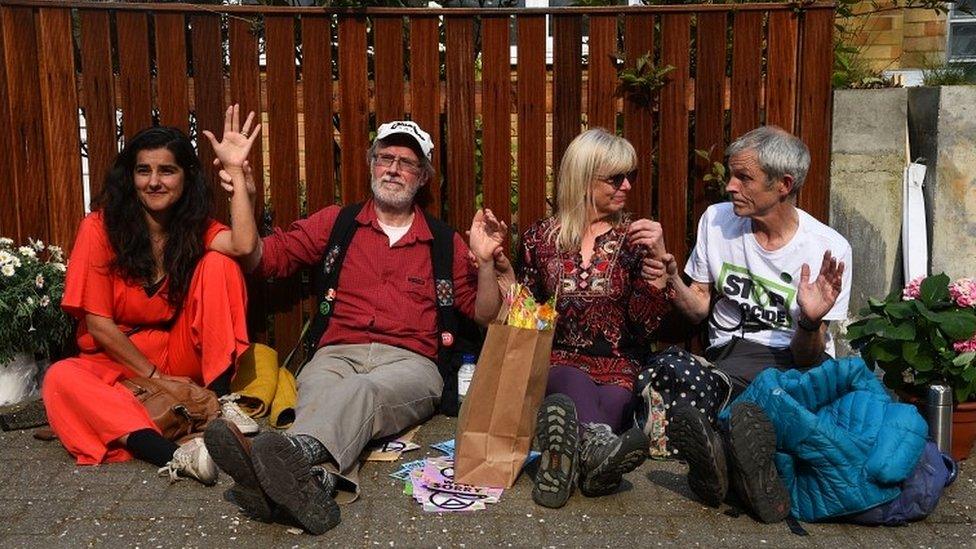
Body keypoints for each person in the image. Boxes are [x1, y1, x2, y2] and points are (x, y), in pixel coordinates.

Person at [203, 120, 506, 535]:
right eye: (385, 158)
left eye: (406, 163)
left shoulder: (443, 241)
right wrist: (241, 183)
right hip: (334, 354)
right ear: (371, 165)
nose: (393, 169)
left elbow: (486, 314)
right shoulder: (337, 224)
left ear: (422, 179)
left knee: (359, 392)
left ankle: (287, 456)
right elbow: (262, 259)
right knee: (325, 388)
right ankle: (316, 484)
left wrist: (486, 262)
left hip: (412, 365)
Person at [42, 105, 263, 485]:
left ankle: (219, 403)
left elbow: (243, 245)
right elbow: (97, 324)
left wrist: (239, 177)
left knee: (220, 264)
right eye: (144, 170)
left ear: (185, 178)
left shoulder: (192, 226)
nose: (154, 182)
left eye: (167, 170)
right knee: (60, 377)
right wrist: (157, 379)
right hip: (115, 359)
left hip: (174, 352)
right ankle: (179, 455)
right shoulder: (98, 228)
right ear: (130, 178)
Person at [647, 126, 852, 522]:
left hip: (796, 364)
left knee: (795, 405)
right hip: (735, 360)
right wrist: (673, 280)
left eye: (743, 177)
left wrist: (809, 321)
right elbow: (698, 308)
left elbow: (810, 356)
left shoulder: (829, 248)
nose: (729, 186)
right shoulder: (717, 222)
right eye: (731, 174)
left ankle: (725, 469)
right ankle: (751, 473)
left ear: (783, 185)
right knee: (675, 370)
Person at [513, 128, 673, 509]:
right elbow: (526, 313)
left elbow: (643, 326)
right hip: (557, 361)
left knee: (614, 398)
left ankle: (580, 459)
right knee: (569, 380)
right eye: (616, 178)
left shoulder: (635, 240)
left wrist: (658, 279)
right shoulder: (540, 238)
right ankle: (599, 457)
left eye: (630, 175)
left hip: (618, 366)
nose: (628, 186)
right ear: (583, 179)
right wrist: (498, 269)